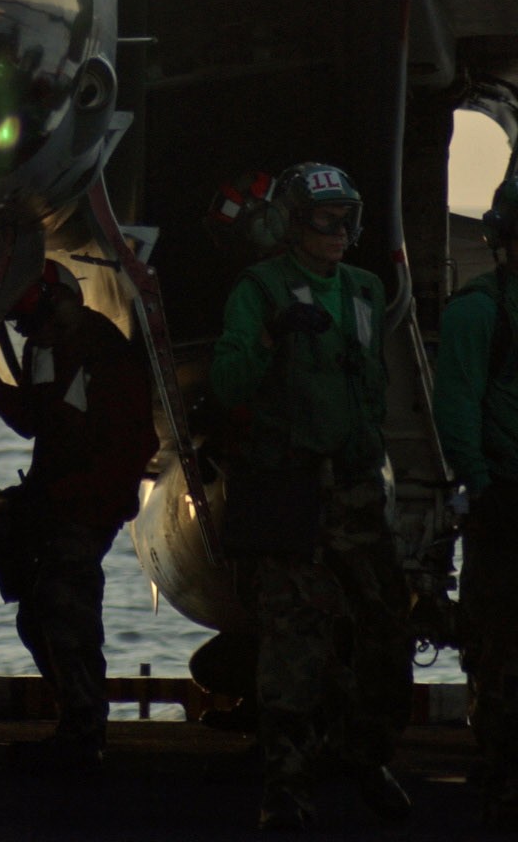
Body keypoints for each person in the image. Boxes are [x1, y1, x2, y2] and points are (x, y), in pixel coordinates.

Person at [211, 162, 412, 831]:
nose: (339, 231)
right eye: (326, 219)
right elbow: (228, 383)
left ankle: (364, 755)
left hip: (356, 491)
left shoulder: (365, 289)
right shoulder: (259, 291)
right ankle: (286, 785)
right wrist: (271, 337)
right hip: (290, 490)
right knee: (292, 644)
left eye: (348, 219)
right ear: (295, 224)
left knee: (387, 631)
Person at [0, 261, 157, 765]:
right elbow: (37, 418)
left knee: (66, 607)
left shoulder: (109, 357)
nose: (35, 333)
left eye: (38, 322)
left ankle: (84, 731)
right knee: (37, 614)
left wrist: (88, 503)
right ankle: (77, 717)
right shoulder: (43, 349)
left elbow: (134, 442)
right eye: (27, 327)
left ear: (64, 304)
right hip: (57, 501)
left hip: (87, 505)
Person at [432, 171, 518, 827]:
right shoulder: (479, 312)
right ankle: (503, 766)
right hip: (505, 500)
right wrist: (482, 487)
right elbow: (457, 409)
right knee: (499, 645)